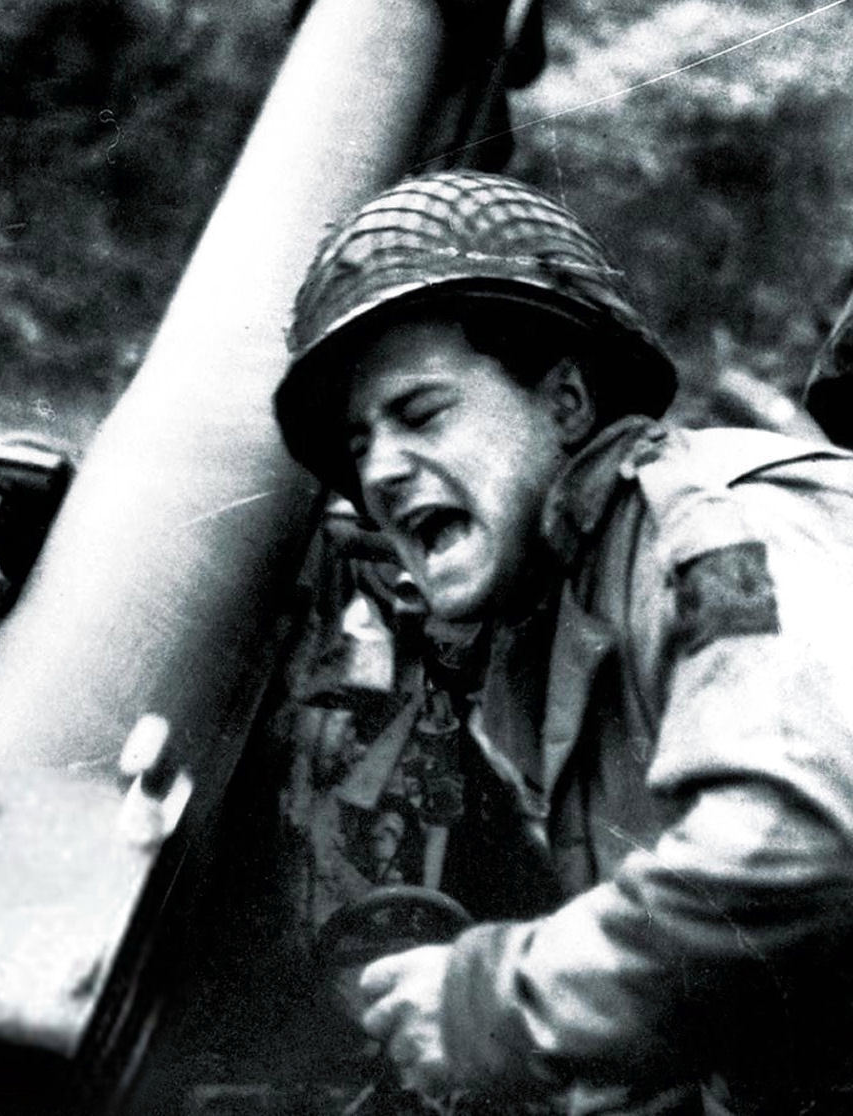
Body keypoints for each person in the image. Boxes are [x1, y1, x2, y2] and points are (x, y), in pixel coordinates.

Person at [273, 169, 853, 1116]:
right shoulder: (547, 631)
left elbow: (802, 845)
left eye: (421, 414)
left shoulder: (714, 531)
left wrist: (493, 1007)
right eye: (359, 443)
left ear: (569, 402)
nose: (379, 470)